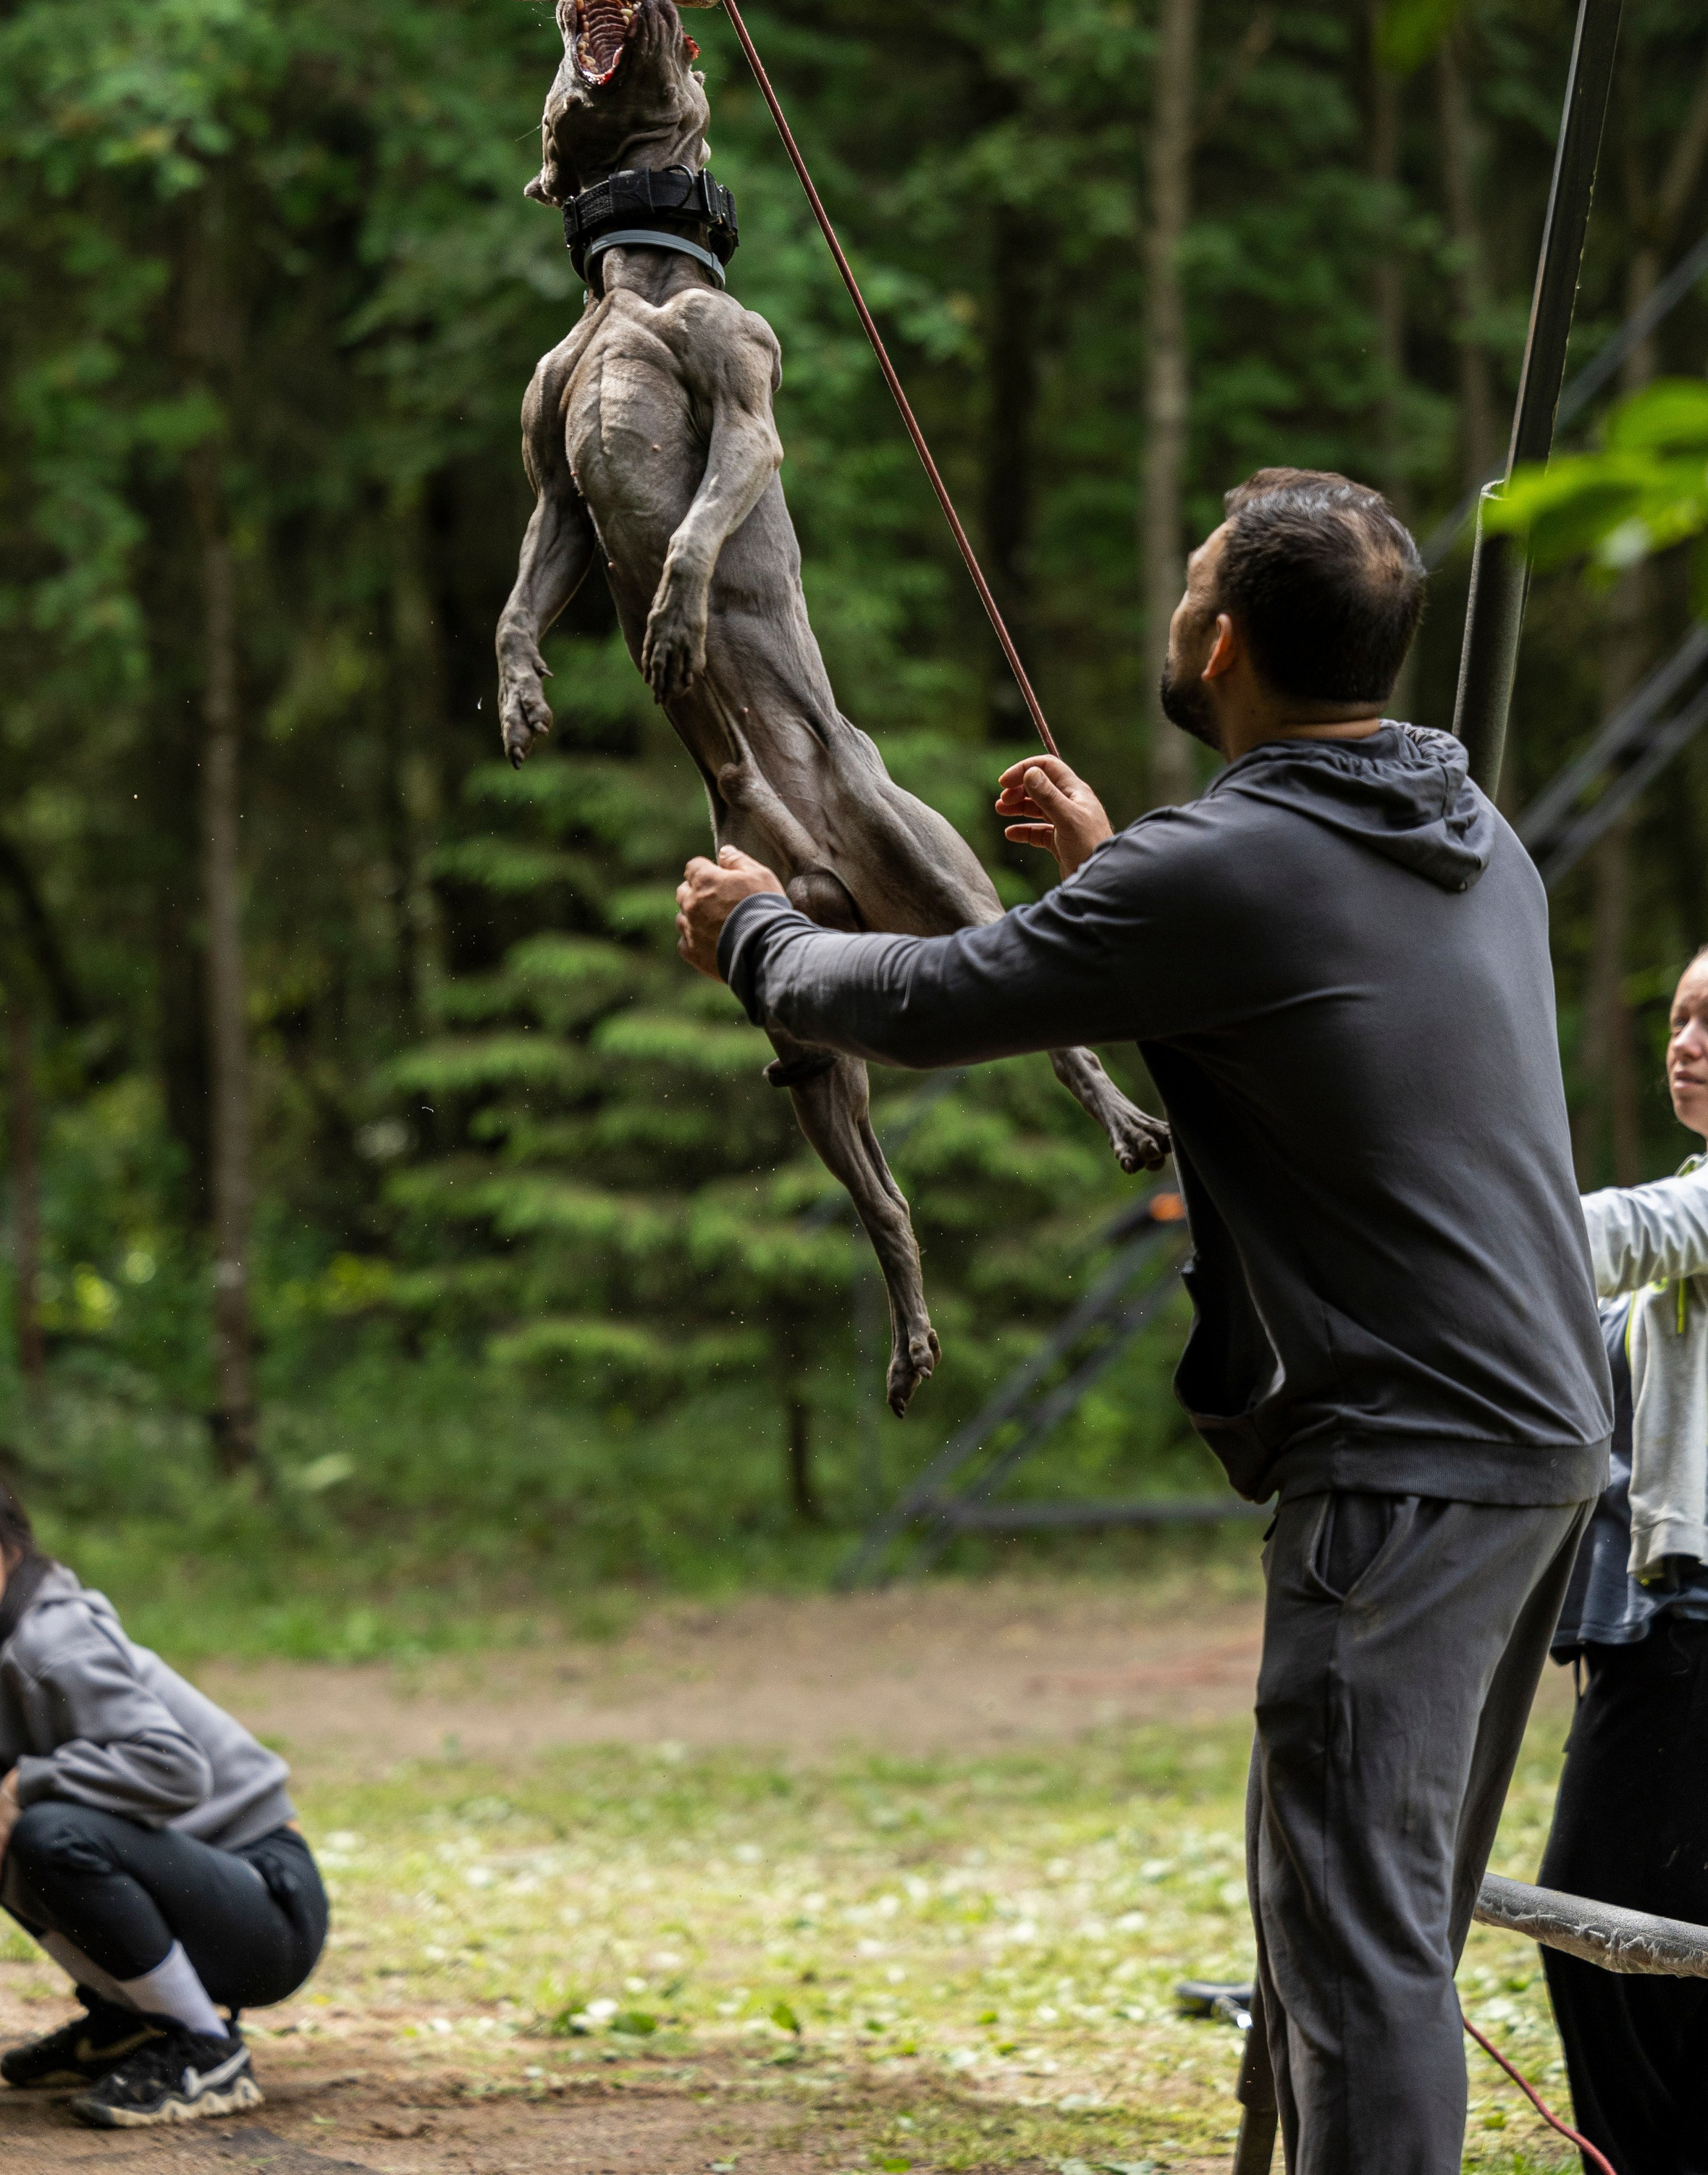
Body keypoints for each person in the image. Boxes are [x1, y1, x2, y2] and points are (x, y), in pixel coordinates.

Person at [676, 468, 1611, 2175]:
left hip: (1404, 1469)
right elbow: (1302, 1015)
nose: (1176, 607)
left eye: (1191, 583)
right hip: (1540, 1439)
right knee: (1371, 1919)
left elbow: (928, 998)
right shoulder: (1473, 841)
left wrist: (755, 937)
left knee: (1356, 1953)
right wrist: (1118, 869)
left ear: (1225, 638)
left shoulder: (1225, 868)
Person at [0, 1459, 327, 2127]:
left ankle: (203, 2047)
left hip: (267, 1905)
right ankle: (131, 2019)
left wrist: (29, 1784)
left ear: (10, 1545)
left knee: (44, 1828)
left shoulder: (50, 1639)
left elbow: (177, 1768)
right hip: (204, 1892)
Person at [1537, 944, 1708, 2175]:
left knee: (1598, 1923)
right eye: (1682, 1016)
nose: (1686, 1041)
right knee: (1655, 1928)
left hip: (1693, 1632)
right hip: (1661, 1627)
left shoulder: (1691, 1218)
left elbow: (1614, 1234)